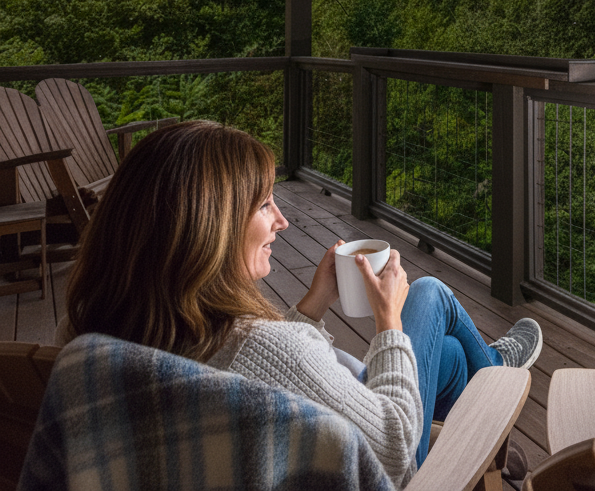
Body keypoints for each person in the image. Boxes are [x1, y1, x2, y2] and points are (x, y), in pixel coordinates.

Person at [60, 120, 543, 489]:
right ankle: (497, 370)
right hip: (393, 465)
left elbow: (276, 371)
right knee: (430, 294)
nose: (283, 221)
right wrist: (388, 323)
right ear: (212, 228)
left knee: (449, 358)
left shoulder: (92, 342)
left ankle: (485, 370)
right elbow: (393, 452)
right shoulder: (260, 348)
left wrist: (313, 305)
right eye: (266, 204)